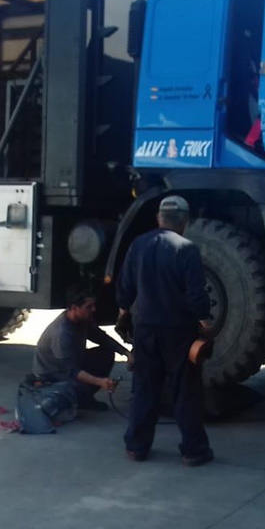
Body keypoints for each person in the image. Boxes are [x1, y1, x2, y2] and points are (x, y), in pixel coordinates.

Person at [116, 195, 214, 466]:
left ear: (159, 218)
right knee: (186, 391)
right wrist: (205, 324)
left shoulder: (138, 244)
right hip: (178, 332)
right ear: (184, 221)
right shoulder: (187, 249)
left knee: (145, 387)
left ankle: (137, 446)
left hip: (145, 329)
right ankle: (193, 451)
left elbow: (125, 288)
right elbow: (197, 296)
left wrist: (124, 313)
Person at [32, 283, 133, 411]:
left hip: (69, 366)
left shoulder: (83, 318)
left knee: (106, 353)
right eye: (89, 306)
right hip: (52, 378)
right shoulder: (62, 333)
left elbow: (101, 337)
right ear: (74, 308)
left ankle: (84, 397)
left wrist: (126, 353)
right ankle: (82, 400)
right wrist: (100, 381)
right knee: (75, 384)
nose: (94, 309)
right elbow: (71, 371)